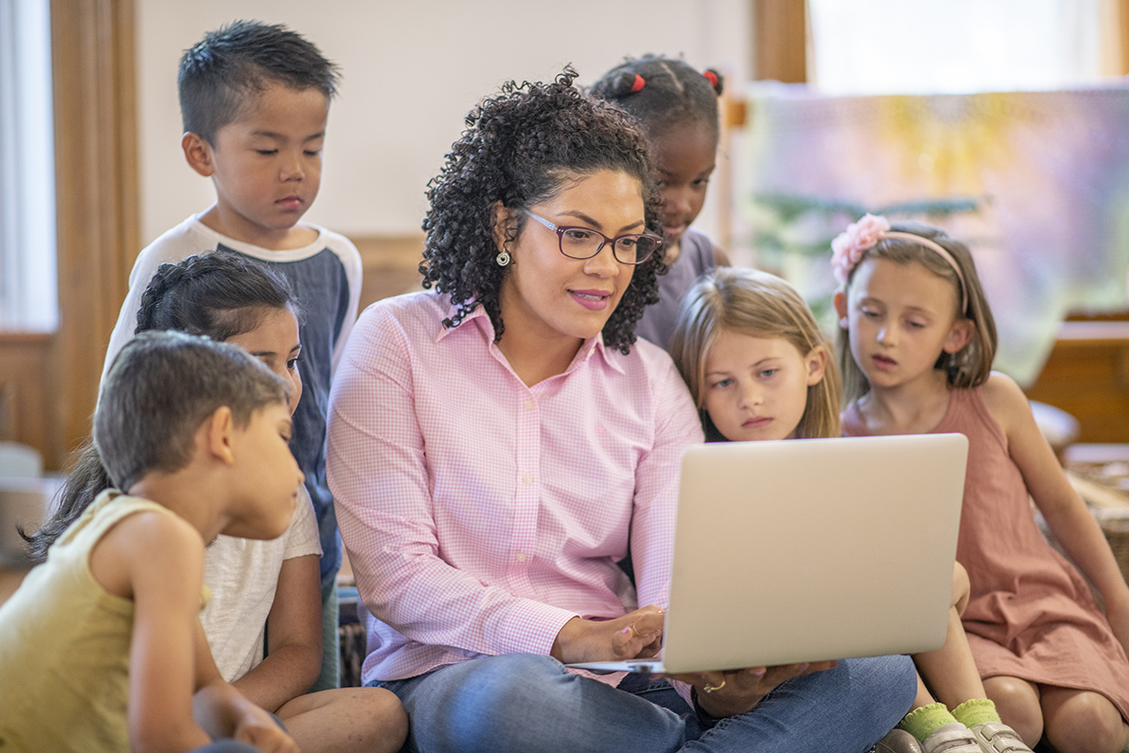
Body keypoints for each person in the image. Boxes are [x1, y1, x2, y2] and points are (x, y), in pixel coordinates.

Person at [327, 69, 915, 753]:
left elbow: (671, 576)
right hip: (459, 671)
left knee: (880, 670)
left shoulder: (650, 378)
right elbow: (396, 578)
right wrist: (568, 634)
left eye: (628, 240)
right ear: (505, 224)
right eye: (577, 234)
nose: (608, 266)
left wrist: (713, 677)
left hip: (629, 688)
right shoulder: (396, 341)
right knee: (508, 701)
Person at [30, 252, 407, 752]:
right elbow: (152, 729)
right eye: (258, 365)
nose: (286, 386)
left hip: (191, 718)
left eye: (292, 361)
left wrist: (237, 718)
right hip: (97, 731)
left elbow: (220, 681)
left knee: (376, 712)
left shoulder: (210, 515)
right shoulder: (150, 529)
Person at [100, 20, 362, 692]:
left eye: (312, 147)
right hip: (198, 532)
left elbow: (325, 395)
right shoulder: (173, 258)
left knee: (307, 685)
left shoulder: (338, 261)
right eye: (268, 148)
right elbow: (123, 406)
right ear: (201, 153)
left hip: (305, 531)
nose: (296, 170)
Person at [668, 266, 1027, 753]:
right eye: (722, 383)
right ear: (698, 393)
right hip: (767, 663)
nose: (750, 397)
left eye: (767, 373)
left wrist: (938, 580)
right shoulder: (706, 480)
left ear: (813, 366)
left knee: (904, 574)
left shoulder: (847, 461)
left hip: (856, 638)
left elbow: (935, 579)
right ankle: (931, 728)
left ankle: (979, 724)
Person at [833, 214, 1129, 753]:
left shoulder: (997, 400)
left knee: (1091, 723)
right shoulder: (839, 431)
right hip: (955, 628)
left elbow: (1063, 506)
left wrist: (1117, 595)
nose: (886, 336)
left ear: (957, 334)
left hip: (1046, 606)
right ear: (843, 310)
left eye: (915, 322)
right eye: (871, 312)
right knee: (1013, 711)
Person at [1, 330, 303, 753]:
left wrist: (247, 719)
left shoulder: (136, 526)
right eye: (282, 437)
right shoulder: (161, 537)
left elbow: (207, 689)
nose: (300, 473)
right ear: (223, 435)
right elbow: (162, 739)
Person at [590, 55, 730, 350]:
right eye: (661, 182)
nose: (682, 205)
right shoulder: (596, 270)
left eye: (699, 182)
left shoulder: (709, 263)